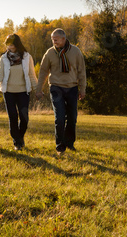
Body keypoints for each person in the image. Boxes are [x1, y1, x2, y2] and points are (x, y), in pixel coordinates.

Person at [0, 34, 38, 151]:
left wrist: (38, 90)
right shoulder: (4, 58)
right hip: (9, 92)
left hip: (23, 92)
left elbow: (32, 75)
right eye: (7, 44)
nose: (9, 47)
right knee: (13, 117)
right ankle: (17, 143)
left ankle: (20, 137)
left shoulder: (27, 57)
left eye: (11, 44)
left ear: (17, 44)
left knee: (24, 118)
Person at [36, 28, 86, 156]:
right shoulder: (50, 53)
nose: (54, 42)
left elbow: (81, 71)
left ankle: (69, 143)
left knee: (72, 118)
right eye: (52, 39)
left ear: (63, 39)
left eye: (56, 39)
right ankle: (60, 146)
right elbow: (43, 72)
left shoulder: (76, 52)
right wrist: (39, 89)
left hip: (72, 88)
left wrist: (82, 89)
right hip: (56, 87)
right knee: (59, 118)